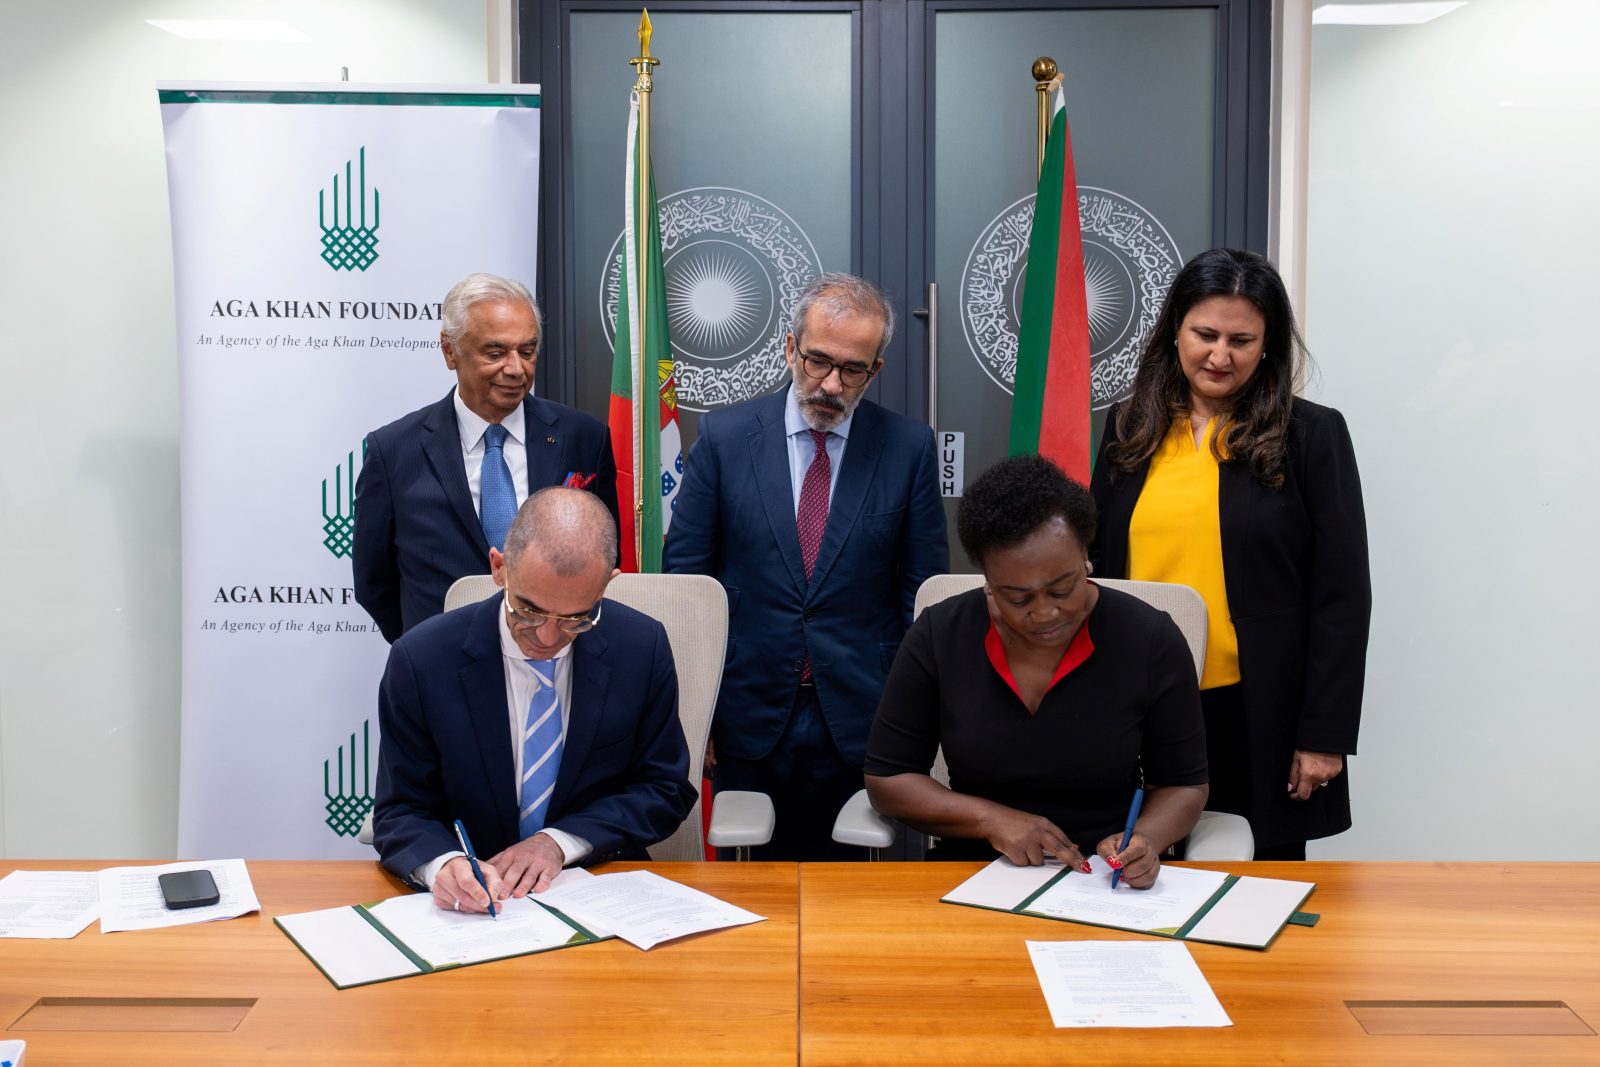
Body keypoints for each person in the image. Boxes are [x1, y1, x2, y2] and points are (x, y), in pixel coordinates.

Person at [1090, 247, 1371, 861]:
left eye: (1241, 340)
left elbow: (1342, 597)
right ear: (1175, 331)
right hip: (1143, 709)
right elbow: (1097, 564)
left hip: (1256, 710)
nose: (1220, 356)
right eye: (1206, 334)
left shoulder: (1311, 437)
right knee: (1138, 883)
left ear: (1267, 344)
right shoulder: (1128, 427)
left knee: (1256, 891)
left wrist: (1324, 734)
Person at [663, 272, 948, 860]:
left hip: (861, 713)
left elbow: (920, 592)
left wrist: (913, 714)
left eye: (853, 370)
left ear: (877, 370)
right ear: (790, 347)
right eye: (818, 361)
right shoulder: (724, 436)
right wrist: (697, 708)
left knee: (847, 901)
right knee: (750, 900)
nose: (831, 384)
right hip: (745, 708)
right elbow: (689, 582)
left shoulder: (908, 448)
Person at [863, 455, 1207, 886]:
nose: (1046, 613)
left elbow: (1183, 784)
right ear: (987, 580)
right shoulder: (940, 635)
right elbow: (888, 777)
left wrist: (1144, 841)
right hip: (974, 872)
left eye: (1063, 588)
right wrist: (990, 820)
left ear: (1085, 554)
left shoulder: (1149, 638)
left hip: (1103, 878)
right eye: (1018, 599)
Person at [372, 487, 695, 912]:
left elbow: (664, 788)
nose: (546, 637)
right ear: (499, 568)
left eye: (576, 618)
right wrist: (443, 865)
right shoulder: (422, 659)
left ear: (608, 585)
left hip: (600, 886)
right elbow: (400, 810)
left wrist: (559, 843)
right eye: (527, 610)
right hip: (475, 902)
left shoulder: (641, 646)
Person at [353, 273, 619, 643]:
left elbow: (603, 551)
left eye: (527, 351)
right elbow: (374, 583)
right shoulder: (394, 451)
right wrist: (424, 648)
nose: (515, 369)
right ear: (450, 350)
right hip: (442, 665)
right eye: (495, 353)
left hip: (557, 657)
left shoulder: (584, 438)